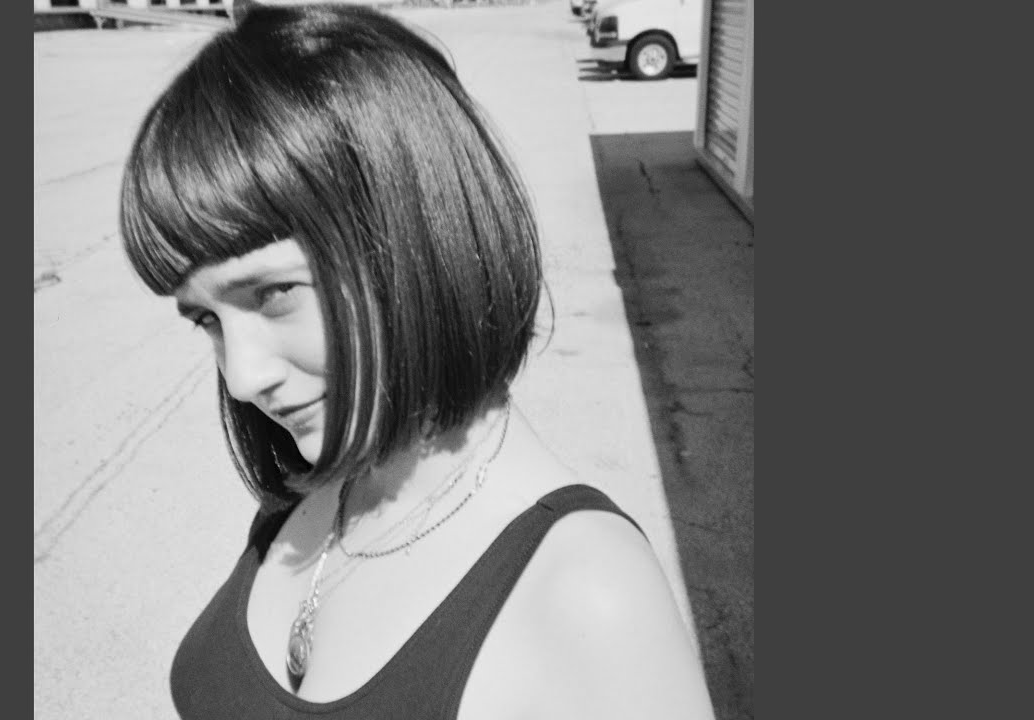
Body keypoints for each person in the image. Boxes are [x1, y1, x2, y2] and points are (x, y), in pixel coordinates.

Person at [119, 4, 715, 718]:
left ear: (414, 236)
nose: (243, 379)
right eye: (206, 320)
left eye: (275, 293)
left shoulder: (591, 599)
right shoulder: (325, 481)